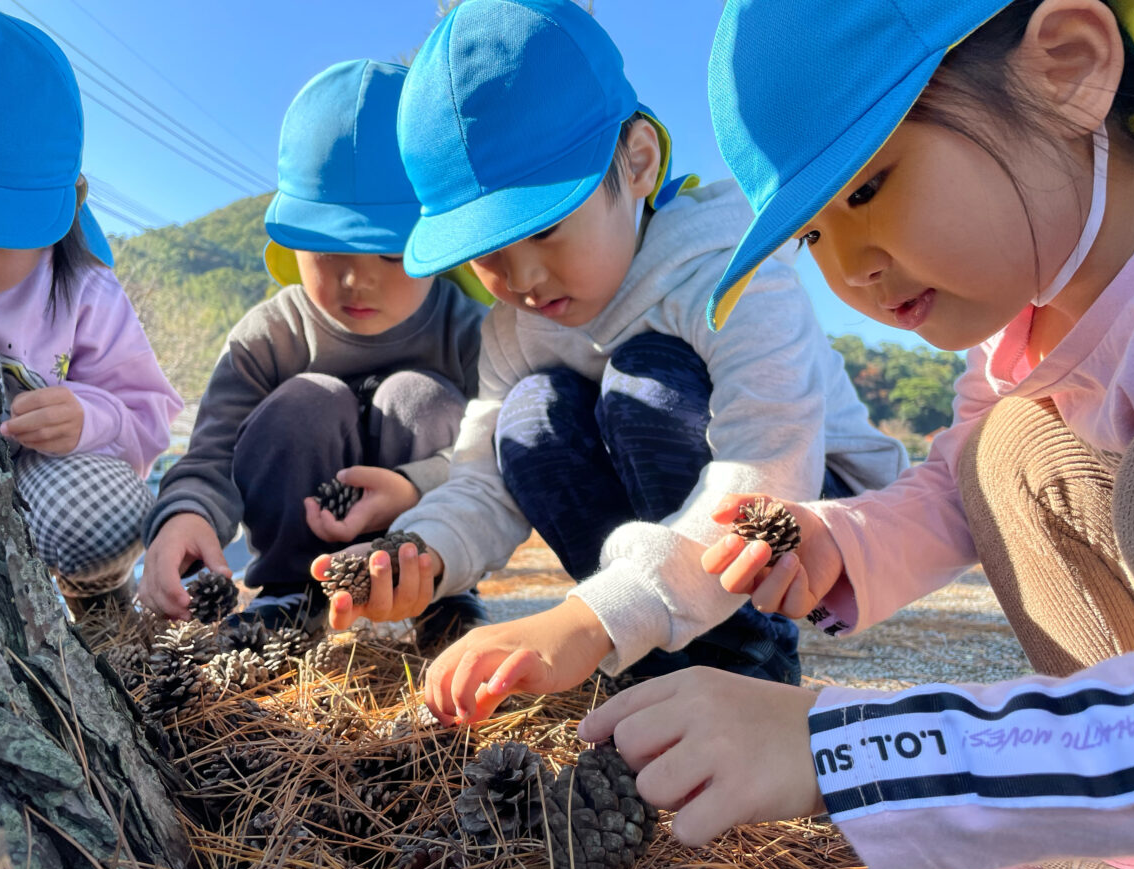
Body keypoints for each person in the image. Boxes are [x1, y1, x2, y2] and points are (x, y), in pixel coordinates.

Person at [584, 0, 1134, 869]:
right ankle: (1129, 828)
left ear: (1069, 66)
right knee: (1002, 447)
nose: (848, 269)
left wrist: (844, 750)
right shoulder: (1026, 328)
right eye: (814, 234)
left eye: (866, 187)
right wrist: (833, 542)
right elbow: (954, 486)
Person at [313, 0, 908, 721]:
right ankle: (649, 657)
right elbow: (484, 479)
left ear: (637, 164)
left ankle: (743, 662)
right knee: (529, 415)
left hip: (807, 512)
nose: (524, 279)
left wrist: (587, 620)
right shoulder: (513, 330)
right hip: (668, 538)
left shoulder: (726, 275)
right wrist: (424, 553)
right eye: (490, 254)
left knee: (642, 376)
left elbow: (769, 463)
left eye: (548, 228)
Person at [140, 60, 489, 640]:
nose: (358, 282)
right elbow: (214, 452)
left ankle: (444, 598)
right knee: (307, 399)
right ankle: (289, 596)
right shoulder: (269, 335)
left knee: (420, 397)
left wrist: (415, 485)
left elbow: (495, 456)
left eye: (389, 253)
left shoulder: (466, 330)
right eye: (329, 251)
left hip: (433, 552)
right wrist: (184, 515)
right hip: (298, 554)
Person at [0, 5, 182, 617]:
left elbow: (150, 414)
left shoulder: (84, 290)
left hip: (41, 482)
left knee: (104, 515)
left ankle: (93, 601)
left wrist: (89, 418)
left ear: (67, 208)